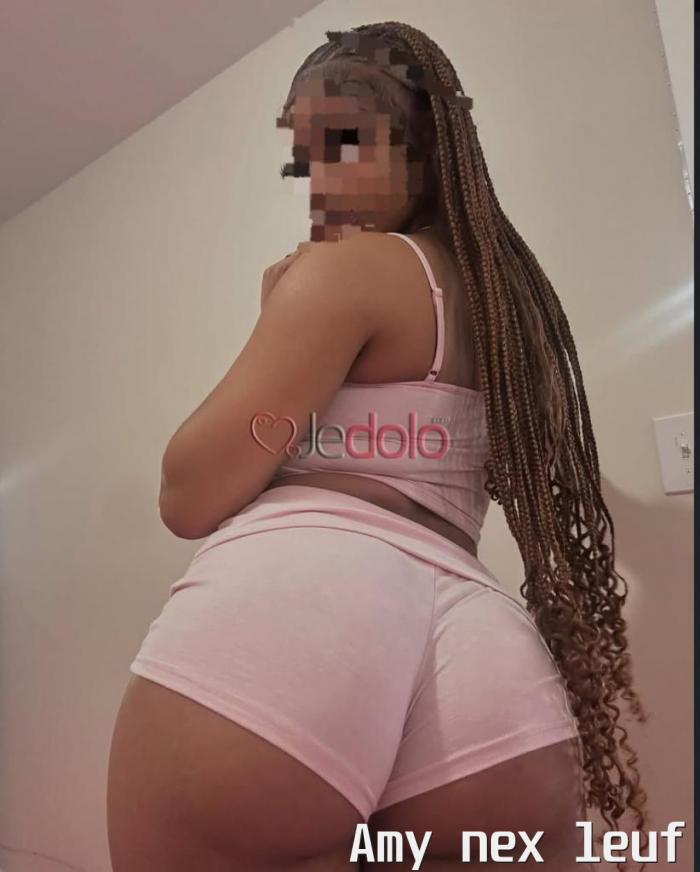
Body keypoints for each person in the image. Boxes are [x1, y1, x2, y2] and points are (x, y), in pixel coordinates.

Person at [107, 21, 650, 872]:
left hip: (303, 609)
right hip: (484, 655)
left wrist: (279, 315)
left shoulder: (352, 269)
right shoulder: (512, 318)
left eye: (345, 143)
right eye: (307, 158)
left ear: (425, 143)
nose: (321, 182)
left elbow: (189, 492)